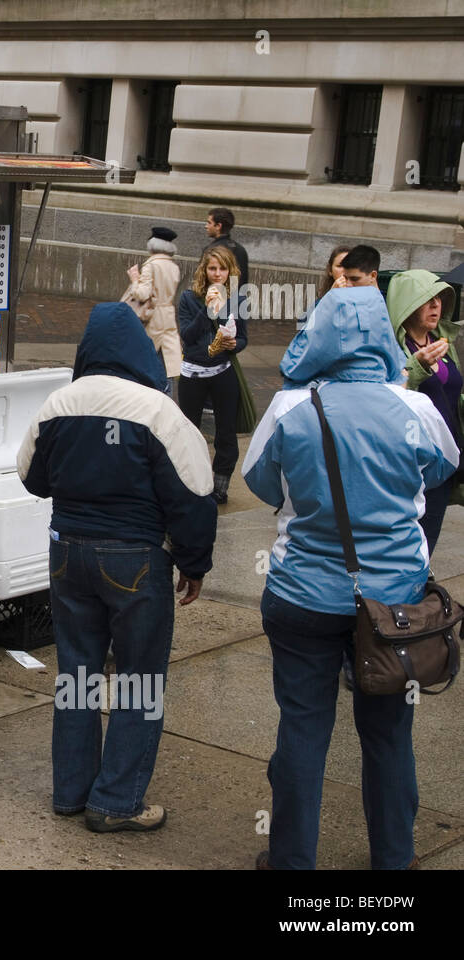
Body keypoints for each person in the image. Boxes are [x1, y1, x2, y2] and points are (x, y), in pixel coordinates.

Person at [243, 280, 457, 871]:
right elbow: (444, 466)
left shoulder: (290, 406)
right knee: (388, 735)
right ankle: (394, 858)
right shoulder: (412, 405)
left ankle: (291, 861)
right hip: (394, 606)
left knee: (303, 732)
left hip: (301, 596)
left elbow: (259, 482)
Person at [19, 302, 216, 833]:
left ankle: (71, 792)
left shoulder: (59, 401)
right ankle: (116, 802)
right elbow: (195, 494)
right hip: (134, 557)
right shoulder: (156, 409)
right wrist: (195, 563)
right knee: (139, 680)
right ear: (138, 350)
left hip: (67, 553)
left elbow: (32, 477)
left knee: (76, 675)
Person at [387, 269, 461, 554]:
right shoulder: (392, 348)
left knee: (426, 543)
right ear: (406, 304)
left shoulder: (441, 342)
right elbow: (388, 395)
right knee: (401, 541)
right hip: (408, 460)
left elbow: (452, 392)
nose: (436, 306)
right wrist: (414, 368)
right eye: (427, 299)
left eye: (439, 299)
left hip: (443, 456)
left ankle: (417, 594)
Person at [178, 245, 248, 504]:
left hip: (222, 372)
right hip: (193, 374)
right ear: (204, 270)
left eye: (222, 269)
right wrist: (207, 309)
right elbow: (187, 336)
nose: (217, 274)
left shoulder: (238, 299)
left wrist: (234, 345)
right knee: (188, 431)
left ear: (230, 271)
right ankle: (190, 482)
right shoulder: (189, 297)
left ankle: (220, 485)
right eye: (212, 268)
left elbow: (243, 338)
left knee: (226, 432)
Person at [125, 226, 182, 392]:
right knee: (167, 365)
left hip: (152, 319)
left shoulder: (151, 265)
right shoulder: (173, 266)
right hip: (168, 317)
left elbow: (142, 294)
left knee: (147, 362)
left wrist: (135, 279)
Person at [297, 245, 352, 333]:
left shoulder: (366, 295)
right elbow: (302, 325)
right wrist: (330, 296)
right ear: (330, 271)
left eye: (349, 266)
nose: (345, 270)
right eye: (340, 266)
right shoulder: (325, 297)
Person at [203, 207, 249, 286]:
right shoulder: (241, 250)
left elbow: (203, 279)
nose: (206, 226)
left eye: (209, 223)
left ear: (218, 226)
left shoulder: (211, 250)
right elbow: (243, 281)